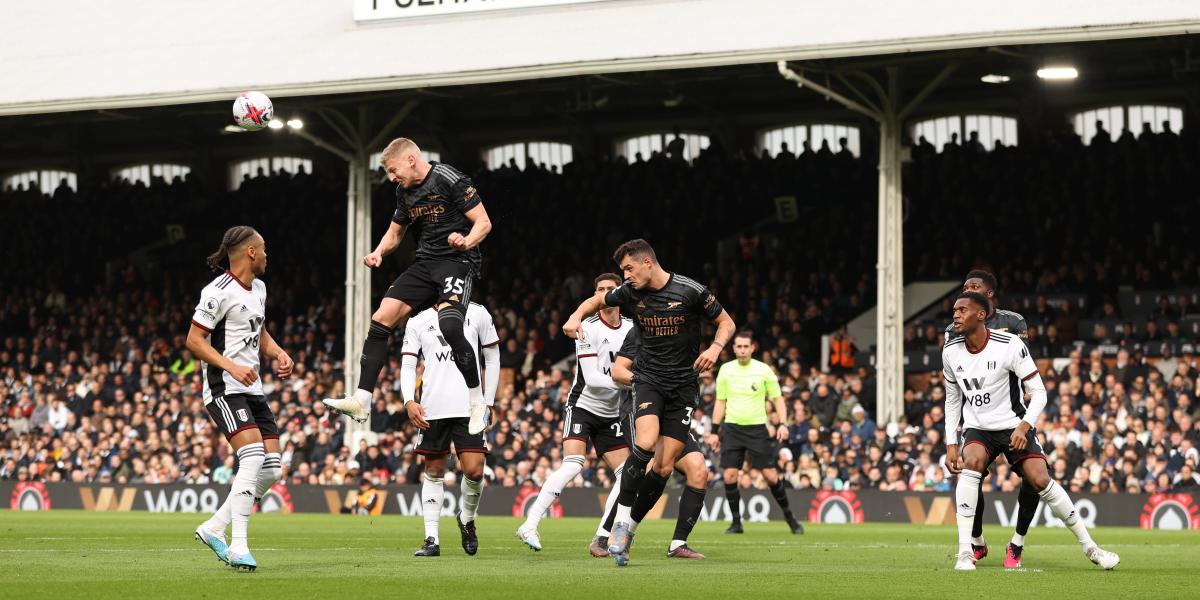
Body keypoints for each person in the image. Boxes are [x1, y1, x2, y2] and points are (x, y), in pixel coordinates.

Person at [563, 239, 735, 566]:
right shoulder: (629, 293)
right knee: (644, 443)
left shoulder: (690, 291)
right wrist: (575, 317)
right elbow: (596, 300)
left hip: (683, 388)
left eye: (628, 268)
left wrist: (715, 348)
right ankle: (618, 525)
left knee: (664, 467)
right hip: (649, 382)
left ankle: (630, 530)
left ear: (647, 262)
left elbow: (726, 322)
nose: (626, 276)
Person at [325, 138, 493, 436]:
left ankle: (477, 402)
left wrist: (466, 241)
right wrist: (379, 252)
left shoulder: (449, 178)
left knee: (450, 326)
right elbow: (395, 234)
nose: (391, 177)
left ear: (411, 160)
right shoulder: (403, 192)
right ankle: (362, 400)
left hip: (457, 261)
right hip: (425, 264)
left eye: (393, 170)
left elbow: (483, 222)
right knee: (381, 318)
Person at [943, 292, 1119, 571]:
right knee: (971, 464)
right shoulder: (950, 351)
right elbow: (952, 399)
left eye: (963, 310)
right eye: (955, 310)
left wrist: (1024, 426)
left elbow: (1039, 392)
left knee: (1040, 479)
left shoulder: (1009, 345)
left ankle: (1091, 548)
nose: (956, 314)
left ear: (981, 315)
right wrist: (951, 443)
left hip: (1013, 424)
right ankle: (965, 552)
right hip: (978, 428)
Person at [190, 226, 293, 572]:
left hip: (253, 390)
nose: (266, 255)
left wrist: (278, 352)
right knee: (252, 457)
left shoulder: (259, 289)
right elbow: (194, 340)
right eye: (263, 249)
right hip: (224, 388)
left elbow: (258, 331)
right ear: (250, 252)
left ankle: (214, 527)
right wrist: (231, 366)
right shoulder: (216, 292)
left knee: (273, 469)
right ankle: (239, 546)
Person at [517, 273, 635, 555]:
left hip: (612, 413)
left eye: (610, 288)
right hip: (583, 405)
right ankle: (530, 524)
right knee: (573, 464)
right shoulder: (586, 328)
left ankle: (602, 537)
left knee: (626, 475)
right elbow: (591, 378)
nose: (605, 293)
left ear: (620, 292)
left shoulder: (632, 328)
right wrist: (634, 382)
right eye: (600, 289)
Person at [946, 269, 1036, 568]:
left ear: (989, 294)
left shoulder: (1014, 322)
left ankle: (1017, 543)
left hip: (1012, 413)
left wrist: (1027, 413)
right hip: (978, 416)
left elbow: (1023, 363)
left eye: (974, 286)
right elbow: (954, 376)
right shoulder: (953, 328)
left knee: (1035, 478)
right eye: (965, 285)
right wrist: (951, 438)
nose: (967, 288)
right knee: (972, 472)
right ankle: (976, 540)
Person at [601, 324, 712, 561]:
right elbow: (618, 371)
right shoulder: (641, 329)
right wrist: (649, 383)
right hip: (642, 408)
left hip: (673, 410)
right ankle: (606, 534)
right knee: (650, 465)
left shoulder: (686, 330)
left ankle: (677, 543)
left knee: (699, 470)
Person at [402, 301, 499, 557]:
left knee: (475, 470)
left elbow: (492, 356)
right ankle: (431, 539)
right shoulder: (418, 320)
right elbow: (408, 364)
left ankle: (466, 519)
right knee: (434, 470)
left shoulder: (477, 312)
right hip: (433, 407)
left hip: (470, 405)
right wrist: (408, 400)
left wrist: (489, 401)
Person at [707, 331, 803, 535]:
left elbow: (778, 399)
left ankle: (790, 518)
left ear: (752, 348)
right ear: (734, 348)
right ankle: (736, 523)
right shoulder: (725, 370)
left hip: (757, 429)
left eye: (746, 347)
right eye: (739, 347)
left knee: (770, 476)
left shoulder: (764, 370)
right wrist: (714, 431)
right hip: (732, 428)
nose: (742, 350)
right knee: (730, 475)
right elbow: (720, 402)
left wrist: (783, 423)